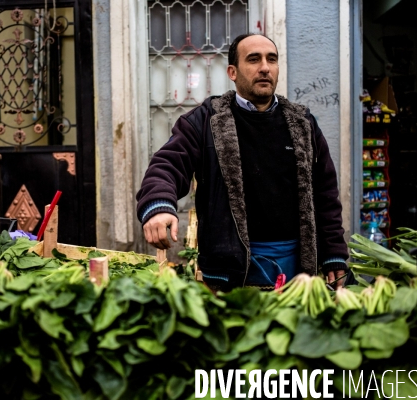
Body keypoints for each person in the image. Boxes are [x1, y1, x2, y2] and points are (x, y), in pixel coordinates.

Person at [136, 33, 349, 291]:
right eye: (253, 59)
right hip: (229, 272)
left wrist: (333, 254)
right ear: (232, 72)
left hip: (297, 271)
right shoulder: (207, 121)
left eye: (272, 59)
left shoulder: (303, 123)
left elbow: (325, 193)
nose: (264, 68)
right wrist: (159, 205)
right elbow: (168, 165)